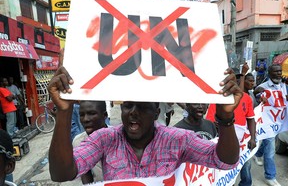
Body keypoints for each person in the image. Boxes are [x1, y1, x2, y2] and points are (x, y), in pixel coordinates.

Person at [48, 65, 242, 182]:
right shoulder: (104, 139)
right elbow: (62, 174)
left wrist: (225, 118)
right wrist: (63, 113)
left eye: (142, 107)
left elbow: (225, 161)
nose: (133, 112)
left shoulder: (178, 139)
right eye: (128, 106)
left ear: (157, 112)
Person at [206, 67, 256, 186]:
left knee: (246, 166)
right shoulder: (218, 99)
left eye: (239, 79)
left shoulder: (247, 98)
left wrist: (253, 138)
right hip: (224, 141)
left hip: (243, 143)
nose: (237, 82)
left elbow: (251, 119)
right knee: (224, 170)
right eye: (235, 79)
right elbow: (211, 123)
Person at [253, 64, 286, 186]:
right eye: (276, 71)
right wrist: (260, 96)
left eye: (280, 71)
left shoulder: (283, 86)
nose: (278, 73)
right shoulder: (263, 87)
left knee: (267, 144)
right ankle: (270, 176)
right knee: (271, 150)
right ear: (269, 73)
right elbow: (257, 95)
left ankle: (257, 154)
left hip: (278, 122)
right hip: (267, 124)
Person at [72, 100, 108, 184]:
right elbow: (86, 176)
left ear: (104, 115)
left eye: (92, 113)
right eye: (81, 115)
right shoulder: (79, 142)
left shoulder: (117, 136)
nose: (85, 119)